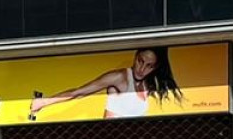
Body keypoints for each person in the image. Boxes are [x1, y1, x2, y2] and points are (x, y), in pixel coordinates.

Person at [30, 47, 183, 120]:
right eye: (140, 61)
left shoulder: (147, 85)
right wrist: (44, 102)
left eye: (149, 66)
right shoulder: (120, 77)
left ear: (155, 67)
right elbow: (79, 92)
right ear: (135, 56)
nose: (142, 69)